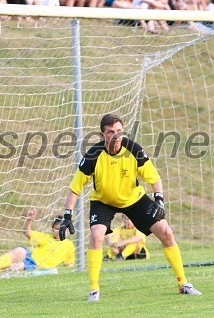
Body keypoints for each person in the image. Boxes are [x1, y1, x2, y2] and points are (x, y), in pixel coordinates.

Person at [59, 114, 202, 302]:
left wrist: (159, 200)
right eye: (111, 132)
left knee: (166, 232)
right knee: (96, 236)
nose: (116, 136)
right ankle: (94, 289)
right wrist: (67, 215)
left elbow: (154, 178)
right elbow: (75, 188)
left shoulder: (134, 149)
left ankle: (183, 283)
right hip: (103, 201)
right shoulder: (93, 155)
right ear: (102, 135)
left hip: (134, 199)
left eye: (119, 131)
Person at [0, 209, 75, 274]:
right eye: (57, 228)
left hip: (35, 264)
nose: (60, 230)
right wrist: (29, 220)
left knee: (16, 267)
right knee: (19, 250)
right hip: (30, 255)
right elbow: (27, 233)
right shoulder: (46, 237)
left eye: (63, 228)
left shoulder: (69, 245)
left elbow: (69, 265)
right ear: (53, 229)